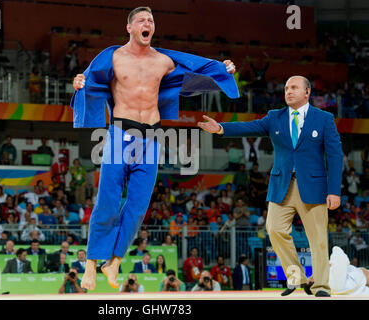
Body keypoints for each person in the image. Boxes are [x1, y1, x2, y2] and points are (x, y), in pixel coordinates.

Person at [71, 6, 237, 291]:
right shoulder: (113, 57)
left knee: (137, 207)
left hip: (151, 137)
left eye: (151, 20)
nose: (147, 23)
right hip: (120, 134)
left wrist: (223, 69)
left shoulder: (163, 60)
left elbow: (198, 67)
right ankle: (90, 264)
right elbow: (87, 79)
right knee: (108, 201)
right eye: (141, 20)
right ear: (129, 28)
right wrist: (77, 81)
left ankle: (113, 260)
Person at [199, 75, 342, 297]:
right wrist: (220, 129)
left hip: (314, 186)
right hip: (282, 185)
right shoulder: (275, 117)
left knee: (318, 239)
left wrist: (334, 190)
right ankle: (297, 278)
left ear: (307, 93)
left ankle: (321, 286)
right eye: (286, 88)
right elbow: (250, 127)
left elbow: (335, 156)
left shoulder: (324, 119)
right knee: (274, 230)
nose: (289, 91)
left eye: (294, 87)